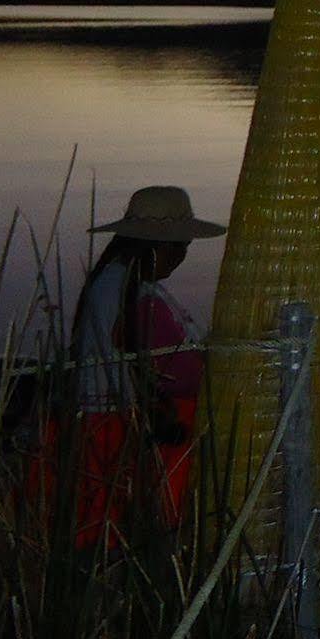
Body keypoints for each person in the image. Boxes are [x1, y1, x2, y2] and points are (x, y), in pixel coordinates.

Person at [62, 185, 226, 546]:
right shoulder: (140, 298)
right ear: (157, 247)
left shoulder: (108, 283)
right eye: (180, 246)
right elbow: (182, 373)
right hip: (118, 435)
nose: (183, 256)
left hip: (98, 427)